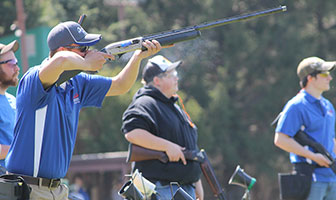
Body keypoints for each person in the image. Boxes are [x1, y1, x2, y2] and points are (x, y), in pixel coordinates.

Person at [5, 21, 163, 200]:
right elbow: (61, 61)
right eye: (83, 49)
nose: (89, 52)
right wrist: (87, 64)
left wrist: (137, 57)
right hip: (29, 189)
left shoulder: (77, 82)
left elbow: (121, 85)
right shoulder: (34, 78)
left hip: (57, 189)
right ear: (62, 49)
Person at [121, 55, 204, 200]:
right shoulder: (145, 103)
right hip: (162, 188)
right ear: (157, 80)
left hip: (181, 188)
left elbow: (189, 149)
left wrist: (196, 182)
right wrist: (167, 146)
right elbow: (132, 132)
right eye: (172, 75)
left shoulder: (173, 107)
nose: (176, 78)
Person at [274, 56, 336, 200]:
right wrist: (313, 157)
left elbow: (332, 140)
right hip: (310, 178)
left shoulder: (328, 106)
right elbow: (280, 139)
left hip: (331, 179)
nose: (330, 78)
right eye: (325, 74)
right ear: (310, 78)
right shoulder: (296, 106)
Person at [0, 40, 19, 175]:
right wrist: (22, 150)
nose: (17, 68)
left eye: (16, 63)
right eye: (11, 64)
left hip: (16, 185)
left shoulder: (13, 101)